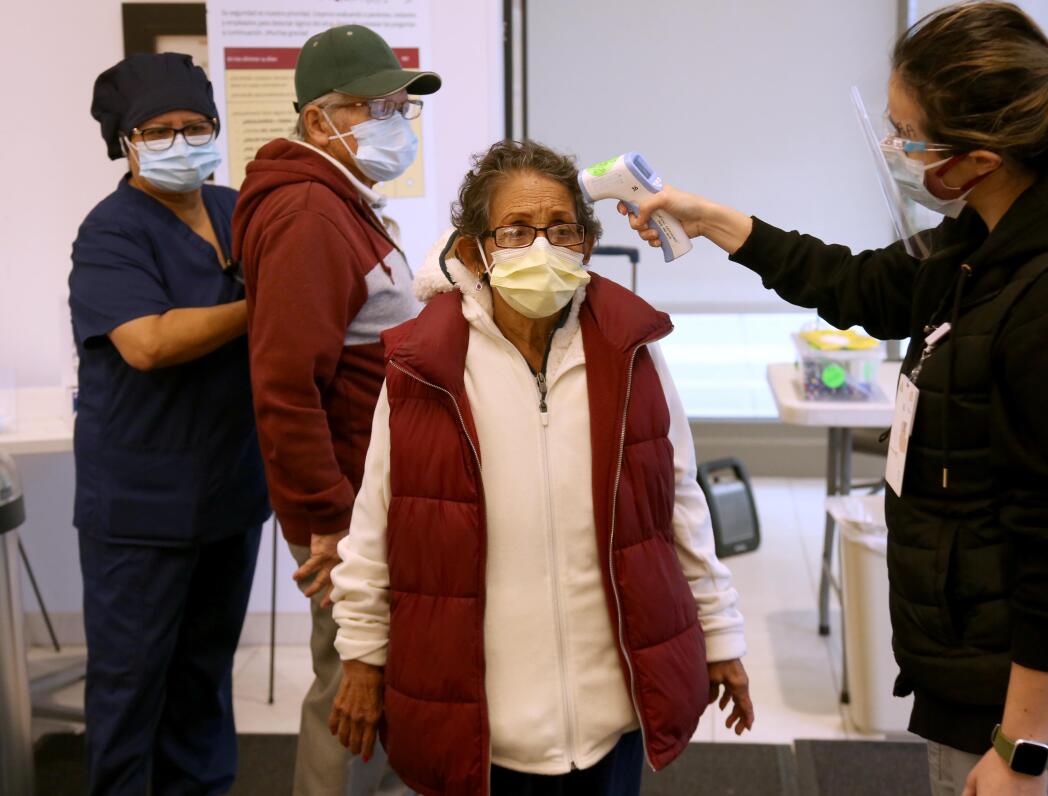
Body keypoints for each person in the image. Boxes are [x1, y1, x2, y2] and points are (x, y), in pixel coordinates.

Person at [624, 3, 1048, 795]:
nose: (893, 149)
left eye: (907, 135)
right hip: (976, 667)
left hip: (1035, 715)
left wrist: (1023, 750)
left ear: (979, 158)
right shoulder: (990, 237)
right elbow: (865, 285)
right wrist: (717, 220)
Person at [325, 140, 755, 795]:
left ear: (587, 244)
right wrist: (360, 655)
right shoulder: (425, 367)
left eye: (562, 229)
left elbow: (678, 504)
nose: (542, 248)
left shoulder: (630, 349)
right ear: (473, 251)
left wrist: (720, 635)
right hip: (481, 716)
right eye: (517, 231)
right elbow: (377, 520)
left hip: (611, 710)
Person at [231, 23, 441, 796]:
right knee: (353, 692)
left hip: (367, 498)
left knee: (376, 686)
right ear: (321, 121)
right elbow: (286, 387)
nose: (397, 122)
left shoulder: (339, 202)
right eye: (377, 106)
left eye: (400, 107)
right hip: (349, 510)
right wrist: (327, 522)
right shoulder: (311, 218)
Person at [69, 52, 271, 794]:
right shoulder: (112, 233)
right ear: (126, 142)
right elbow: (146, 343)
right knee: (130, 691)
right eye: (159, 130)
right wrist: (265, 304)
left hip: (228, 492)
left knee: (204, 681)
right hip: (141, 508)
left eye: (196, 127)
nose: (181, 142)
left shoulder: (233, 209)